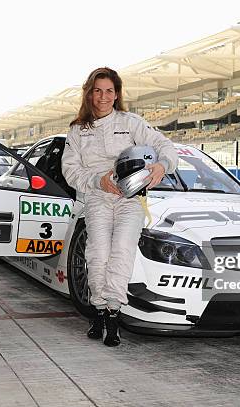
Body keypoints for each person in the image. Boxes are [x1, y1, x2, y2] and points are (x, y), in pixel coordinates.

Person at [61, 67, 178, 346]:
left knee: (122, 252)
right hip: (97, 196)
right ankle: (99, 311)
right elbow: (70, 171)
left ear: (117, 94)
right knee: (97, 254)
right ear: (89, 94)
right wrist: (98, 181)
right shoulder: (77, 130)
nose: (103, 97)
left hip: (131, 197)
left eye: (109, 91)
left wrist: (162, 166)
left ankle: (114, 312)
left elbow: (166, 148)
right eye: (97, 90)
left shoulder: (131, 121)